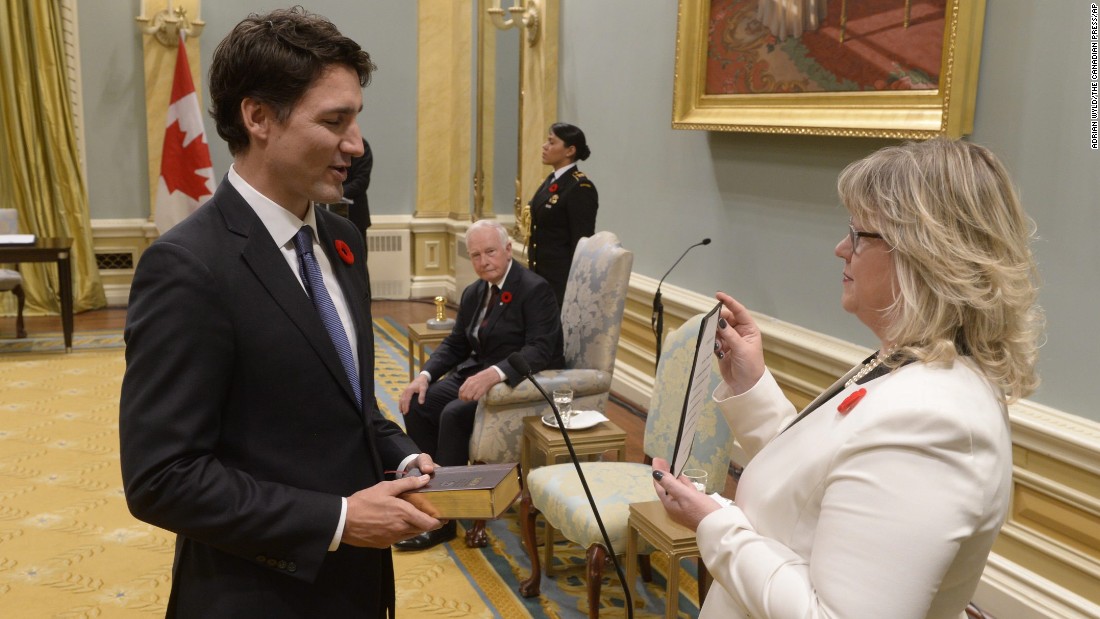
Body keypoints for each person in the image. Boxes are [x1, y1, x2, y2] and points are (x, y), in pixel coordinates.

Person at [119, 8, 441, 617]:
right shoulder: (188, 267)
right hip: (256, 592)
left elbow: (343, 401)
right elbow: (162, 478)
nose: (356, 144)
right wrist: (340, 519)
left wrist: (401, 451)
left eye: (356, 119)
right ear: (259, 117)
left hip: (359, 587)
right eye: (334, 121)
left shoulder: (344, 240)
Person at [652, 138, 1043, 618]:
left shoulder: (935, 423)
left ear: (925, 254)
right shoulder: (910, 364)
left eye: (860, 235)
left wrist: (714, 525)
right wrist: (751, 383)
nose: (841, 249)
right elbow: (819, 486)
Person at [397, 219, 564, 550]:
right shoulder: (475, 292)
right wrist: (424, 376)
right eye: (475, 255)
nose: (483, 261)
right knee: (418, 403)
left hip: (510, 386)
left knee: (454, 414)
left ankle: (447, 518)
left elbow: (541, 348)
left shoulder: (534, 289)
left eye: (490, 252)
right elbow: (456, 344)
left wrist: (495, 373)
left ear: (507, 249)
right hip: (473, 375)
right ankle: (426, 497)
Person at [526, 122, 597, 309]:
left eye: (551, 142)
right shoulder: (552, 180)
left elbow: (581, 244)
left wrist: (575, 288)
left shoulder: (579, 187)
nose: (545, 146)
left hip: (561, 284)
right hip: (541, 279)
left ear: (569, 150)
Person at [344, 137, 373, 233]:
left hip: (355, 215)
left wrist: (334, 193)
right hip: (326, 215)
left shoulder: (360, 145)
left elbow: (361, 182)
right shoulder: (327, 145)